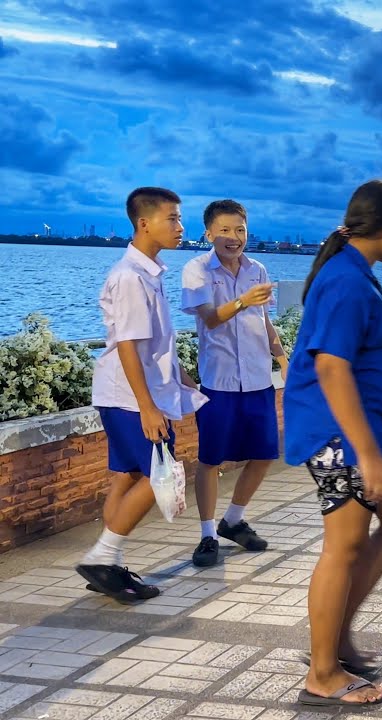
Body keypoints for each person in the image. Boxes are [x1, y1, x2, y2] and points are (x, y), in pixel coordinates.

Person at [283, 180, 382, 707]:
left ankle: (336, 638)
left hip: (360, 433)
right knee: (343, 546)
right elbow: (332, 367)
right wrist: (365, 453)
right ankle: (322, 672)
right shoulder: (345, 281)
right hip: (340, 434)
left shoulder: (356, 275)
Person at [79, 187, 207, 603]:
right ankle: (104, 555)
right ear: (144, 223)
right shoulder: (131, 278)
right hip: (131, 398)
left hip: (122, 394)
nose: (181, 227)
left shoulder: (147, 273)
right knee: (161, 476)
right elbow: (129, 347)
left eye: (179, 218)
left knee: (132, 475)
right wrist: (149, 408)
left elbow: (154, 343)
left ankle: (107, 563)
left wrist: (182, 375)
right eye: (173, 218)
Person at [181, 200, 289, 567]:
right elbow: (210, 319)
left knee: (264, 455)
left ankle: (233, 520)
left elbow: (263, 320)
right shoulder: (196, 271)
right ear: (209, 233)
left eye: (240, 230)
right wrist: (242, 300)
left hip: (258, 379)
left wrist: (283, 359)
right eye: (225, 230)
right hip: (219, 381)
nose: (234, 237)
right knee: (210, 459)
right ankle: (207, 535)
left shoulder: (257, 269)